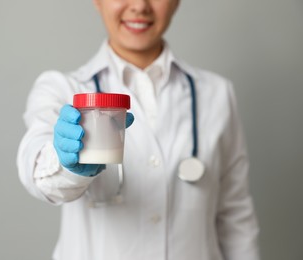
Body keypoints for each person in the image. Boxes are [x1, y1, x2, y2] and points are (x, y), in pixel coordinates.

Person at [17, 0, 260, 259]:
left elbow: (235, 215)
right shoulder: (61, 88)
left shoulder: (216, 93)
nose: (140, 6)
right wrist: (66, 163)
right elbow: (37, 169)